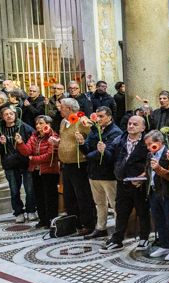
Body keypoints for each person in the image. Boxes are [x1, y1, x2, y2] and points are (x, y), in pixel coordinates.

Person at [104, 115, 151, 252]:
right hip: (122, 181)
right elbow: (110, 156)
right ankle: (117, 240)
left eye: (135, 124)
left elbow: (152, 163)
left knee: (142, 211)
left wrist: (143, 176)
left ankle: (144, 238)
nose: (131, 126)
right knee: (121, 211)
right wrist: (103, 151)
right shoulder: (120, 140)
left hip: (139, 183)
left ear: (143, 127)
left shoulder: (147, 142)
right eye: (129, 123)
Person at [53, 98, 96, 236]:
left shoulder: (82, 120)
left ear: (70, 109)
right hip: (66, 164)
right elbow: (66, 138)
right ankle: (74, 223)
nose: (60, 109)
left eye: (62, 107)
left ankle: (88, 223)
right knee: (69, 196)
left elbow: (94, 135)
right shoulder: (63, 122)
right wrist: (58, 142)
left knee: (83, 195)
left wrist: (83, 142)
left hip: (79, 164)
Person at [81, 107, 123, 240]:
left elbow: (109, 153)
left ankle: (119, 230)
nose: (98, 119)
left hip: (108, 174)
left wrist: (89, 155)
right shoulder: (94, 130)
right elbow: (87, 148)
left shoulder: (115, 132)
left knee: (115, 204)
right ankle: (101, 228)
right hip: (94, 172)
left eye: (101, 116)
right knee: (99, 203)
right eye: (97, 116)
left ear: (109, 117)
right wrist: (82, 143)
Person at [0, 106, 36, 223]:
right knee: (14, 190)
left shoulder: (24, 127)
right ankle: (19, 212)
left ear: (15, 115)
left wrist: (24, 145)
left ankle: (31, 210)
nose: (9, 116)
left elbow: (34, 140)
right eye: (6, 114)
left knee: (29, 189)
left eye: (11, 113)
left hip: (25, 162)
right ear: (2, 117)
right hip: (10, 164)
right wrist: (0, 144)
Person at [145, 130, 169, 261]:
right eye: (147, 145)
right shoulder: (150, 154)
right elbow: (148, 171)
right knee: (158, 220)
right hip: (153, 190)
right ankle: (164, 245)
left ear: (160, 142)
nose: (149, 147)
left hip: (167, 192)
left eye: (151, 144)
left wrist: (158, 169)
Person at [16, 115, 59, 229]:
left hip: (49, 171)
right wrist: (20, 143)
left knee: (50, 196)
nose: (38, 126)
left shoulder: (53, 137)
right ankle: (43, 219)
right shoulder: (34, 136)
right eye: (37, 124)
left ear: (48, 125)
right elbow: (27, 151)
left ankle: (52, 219)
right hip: (35, 170)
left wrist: (33, 159)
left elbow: (50, 155)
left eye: (41, 123)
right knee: (39, 196)